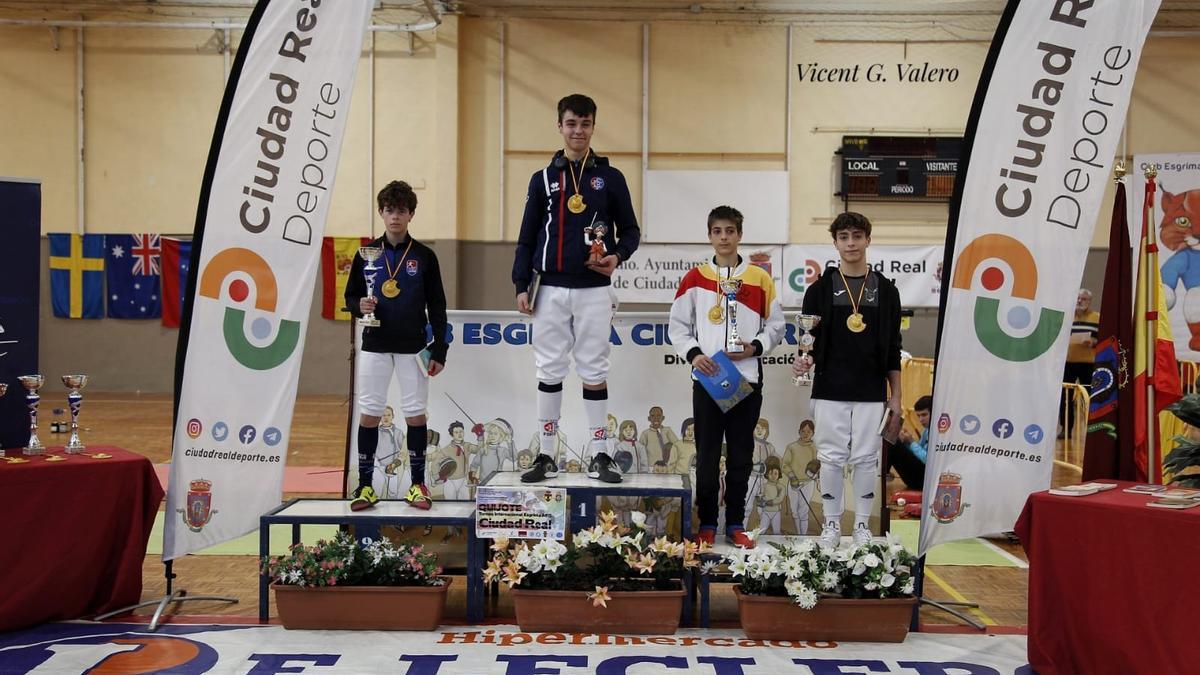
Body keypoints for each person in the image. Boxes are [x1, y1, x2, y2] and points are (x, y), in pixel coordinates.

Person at [513, 93, 641, 484]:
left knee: (593, 368)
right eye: (571, 123)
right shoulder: (543, 179)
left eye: (585, 124)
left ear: (593, 126)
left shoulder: (611, 177)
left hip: (593, 288)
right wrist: (521, 283)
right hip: (548, 287)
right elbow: (527, 236)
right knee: (549, 368)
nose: (578, 131)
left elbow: (631, 231)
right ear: (560, 126)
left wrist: (616, 257)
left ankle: (599, 454)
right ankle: (546, 454)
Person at [668, 205, 785, 548]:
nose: (724, 237)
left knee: (741, 454)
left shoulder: (759, 278)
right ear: (709, 235)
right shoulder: (694, 278)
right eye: (717, 231)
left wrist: (756, 347)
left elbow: (777, 326)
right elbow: (677, 326)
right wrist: (695, 354)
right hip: (708, 378)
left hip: (745, 377)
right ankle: (707, 523)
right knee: (705, 455)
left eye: (730, 231)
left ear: (739, 235)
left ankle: (735, 522)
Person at [793, 211, 902, 548]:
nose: (851, 243)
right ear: (835, 242)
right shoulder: (819, 290)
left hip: (871, 390)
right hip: (829, 388)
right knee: (831, 458)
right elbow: (806, 339)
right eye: (844, 237)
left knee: (868, 459)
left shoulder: (886, 290)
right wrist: (803, 361)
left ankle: (862, 525)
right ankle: (831, 524)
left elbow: (894, 349)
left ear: (868, 239)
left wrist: (895, 395)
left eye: (857, 236)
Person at [345, 180, 449, 511]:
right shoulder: (366, 255)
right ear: (381, 212)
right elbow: (351, 296)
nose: (394, 217)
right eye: (389, 210)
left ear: (411, 214)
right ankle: (365, 487)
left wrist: (440, 349)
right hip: (375, 344)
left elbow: (438, 306)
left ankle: (418, 485)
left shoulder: (424, 256)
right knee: (370, 413)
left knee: (416, 415)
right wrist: (358, 305)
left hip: (413, 346)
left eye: (401, 211)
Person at [1062, 288, 1099, 437]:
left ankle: (1091, 430)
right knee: (1066, 399)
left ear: (1089, 302)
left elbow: (1104, 340)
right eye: (1077, 298)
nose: (1079, 301)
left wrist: (1093, 342)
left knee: (1089, 398)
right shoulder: (1067, 317)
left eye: (1083, 299)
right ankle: (1065, 429)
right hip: (1068, 363)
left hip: (1088, 364)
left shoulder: (1097, 318)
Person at [782, 420, 819, 535]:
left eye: (809, 431)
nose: (806, 434)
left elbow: (818, 464)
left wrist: (815, 475)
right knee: (794, 511)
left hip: (807, 483)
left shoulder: (815, 447)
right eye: (803, 431)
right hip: (793, 483)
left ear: (813, 433)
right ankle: (799, 534)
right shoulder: (791, 447)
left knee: (803, 511)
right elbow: (784, 464)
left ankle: (803, 536)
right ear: (799, 432)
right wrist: (792, 477)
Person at [892, 395, 931, 491]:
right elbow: (918, 453)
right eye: (918, 416)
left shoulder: (939, 433)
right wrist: (906, 442)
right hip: (921, 473)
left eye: (924, 415)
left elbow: (929, 461)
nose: (921, 419)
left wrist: (912, 442)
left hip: (926, 479)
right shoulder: (926, 430)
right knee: (894, 440)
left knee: (894, 444)